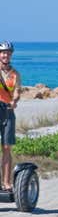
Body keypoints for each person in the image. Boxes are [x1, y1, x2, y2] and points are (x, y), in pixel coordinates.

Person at [0, 42, 21, 191]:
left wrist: (14, 101)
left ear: (11, 55)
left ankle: (6, 183)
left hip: (7, 111)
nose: (5, 55)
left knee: (7, 147)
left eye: (8, 53)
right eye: (3, 53)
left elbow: (17, 91)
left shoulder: (15, 74)